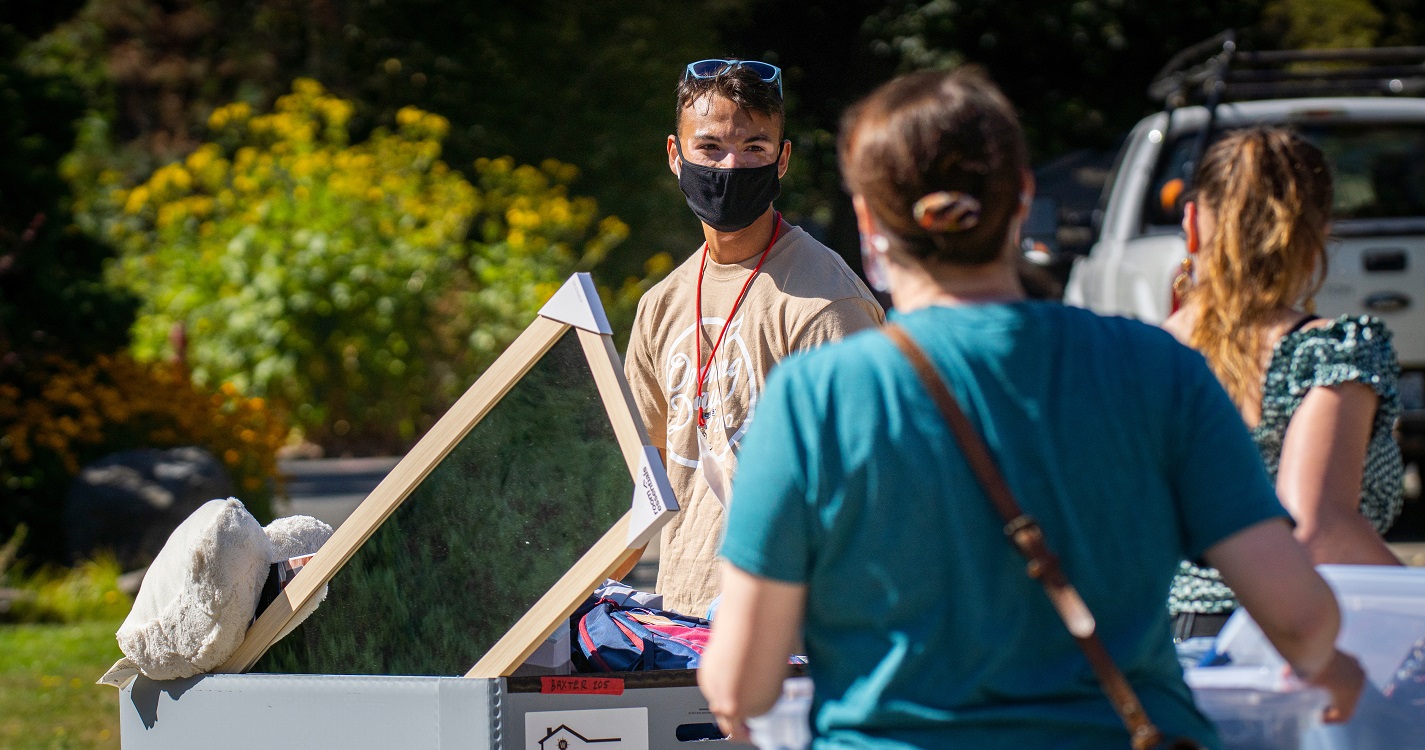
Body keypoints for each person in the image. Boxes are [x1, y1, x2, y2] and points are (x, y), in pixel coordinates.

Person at [698, 68, 1364, 748]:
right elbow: (1300, 620)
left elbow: (740, 684)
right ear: (1021, 199)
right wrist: (1331, 668)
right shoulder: (1158, 369)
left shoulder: (813, 397)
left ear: (869, 222)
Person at [623, 59, 884, 616]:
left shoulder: (827, 304)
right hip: (678, 621)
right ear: (676, 155)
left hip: (787, 638)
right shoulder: (659, 306)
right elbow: (636, 482)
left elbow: (862, 496)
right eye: (711, 147)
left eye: (755, 148)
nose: (731, 165)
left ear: (783, 159)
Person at [1165, 127, 1404, 640]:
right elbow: (1317, 524)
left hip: (1157, 647)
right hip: (1289, 640)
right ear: (1318, 233)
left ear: (1191, 224)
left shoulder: (1139, 351)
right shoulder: (1328, 351)